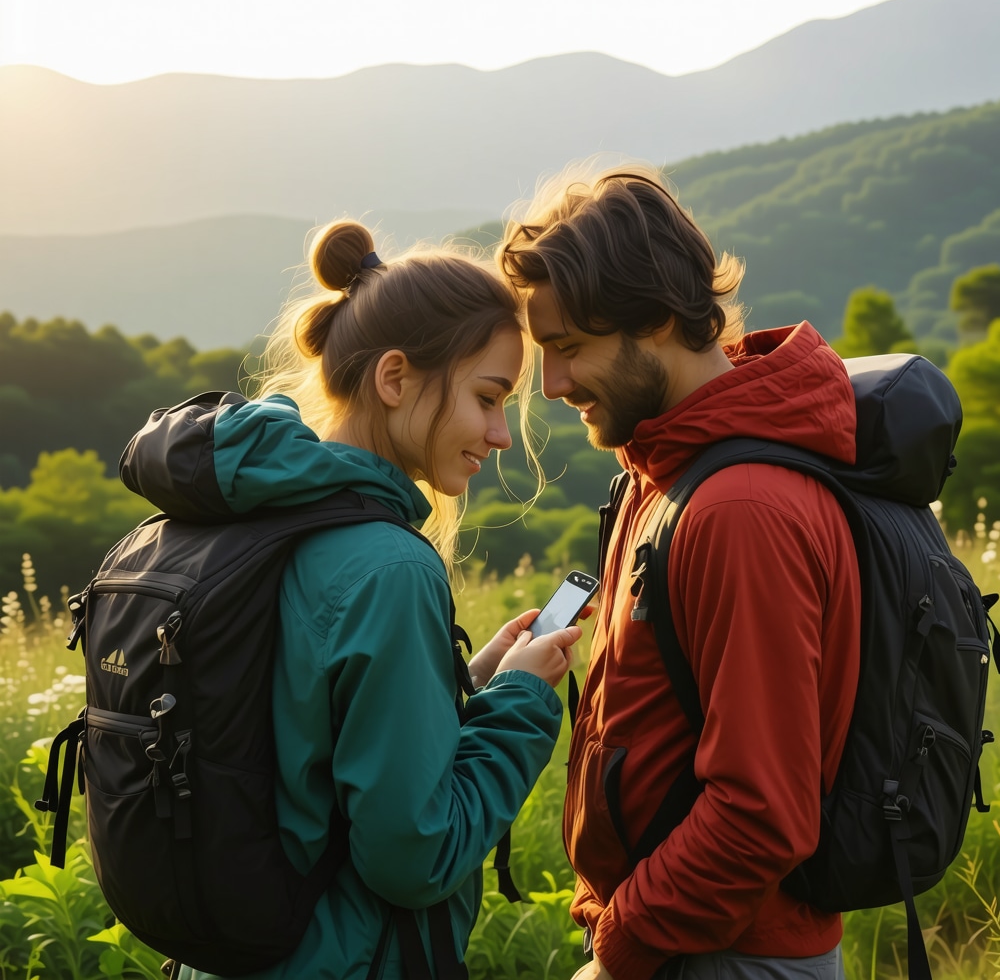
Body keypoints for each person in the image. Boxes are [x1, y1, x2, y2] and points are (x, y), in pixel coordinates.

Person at [177, 220, 581, 980]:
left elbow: (301, 746)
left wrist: (467, 689)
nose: (500, 434)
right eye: (487, 398)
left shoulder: (247, 519)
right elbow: (413, 858)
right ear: (394, 379)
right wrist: (522, 705)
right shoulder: (389, 567)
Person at [497, 164, 861, 980]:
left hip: (725, 953)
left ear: (658, 319)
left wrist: (620, 950)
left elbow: (761, 812)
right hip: (678, 934)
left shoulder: (739, 510)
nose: (552, 386)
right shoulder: (664, 469)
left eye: (569, 349)